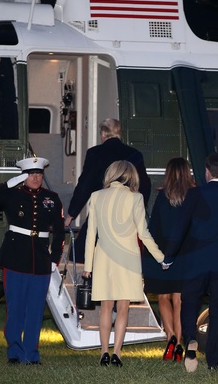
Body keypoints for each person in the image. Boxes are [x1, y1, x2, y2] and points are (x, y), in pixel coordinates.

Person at [163, 153, 218, 372]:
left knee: (190, 302)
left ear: (207, 172)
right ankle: (213, 362)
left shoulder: (195, 194)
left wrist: (169, 257)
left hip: (196, 261)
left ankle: (191, 339)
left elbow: (181, 228)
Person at [0, 156, 65, 365]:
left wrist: (55, 258)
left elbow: (59, 232)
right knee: (15, 307)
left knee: (36, 309)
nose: (35, 178)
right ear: (23, 176)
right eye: (31, 174)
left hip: (41, 259)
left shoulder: (51, 198)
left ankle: (32, 354)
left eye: (39, 174)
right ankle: (15, 352)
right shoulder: (11, 194)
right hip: (15, 257)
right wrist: (8, 184)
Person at [82, 160, 165, 368]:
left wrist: (88, 266)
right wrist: (161, 257)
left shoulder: (96, 196)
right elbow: (143, 233)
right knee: (123, 308)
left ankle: (103, 352)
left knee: (105, 307)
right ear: (130, 176)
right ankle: (117, 353)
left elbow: (91, 235)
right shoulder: (136, 198)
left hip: (103, 258)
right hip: (128, 259)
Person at [65, 118, 151, 263]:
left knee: (88, 250)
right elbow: (145, 185)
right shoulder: (135, 154)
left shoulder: (95, 153)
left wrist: (72, 213)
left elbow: (85, 184)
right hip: (125, 213)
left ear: (103, 133)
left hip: (102, 210)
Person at [142, 157, 195, 362]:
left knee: (163, 297)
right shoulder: (193, 195)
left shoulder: (162, 197)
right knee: (179, 299)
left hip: (163, 252)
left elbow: (154, 227)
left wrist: (152, 256)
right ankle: (179, 344)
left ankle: (170, 337)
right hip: (185, 252)